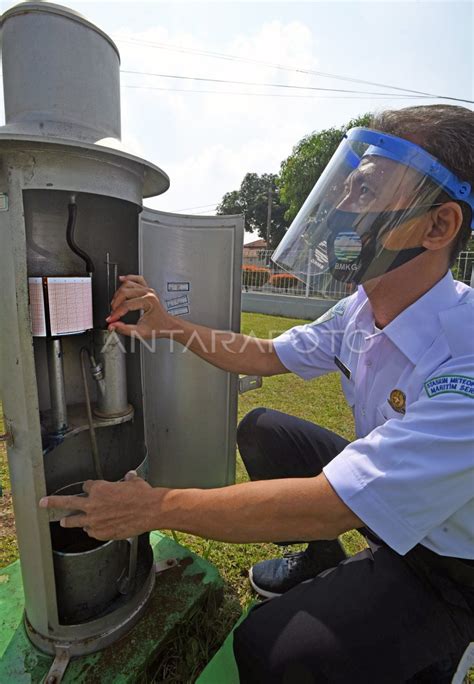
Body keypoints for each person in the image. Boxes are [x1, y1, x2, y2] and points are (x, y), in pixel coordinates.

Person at [40, 104, 474, 683]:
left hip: (450, 562)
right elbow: (263, 354)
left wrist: (152, 506)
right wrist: (168, 323)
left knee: (271, 651)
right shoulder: (360, 310)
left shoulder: (464, 357)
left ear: (438, 226)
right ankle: (321, 561)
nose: (341, 208)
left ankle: (437, 656)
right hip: (387, 508)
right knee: (265, 428)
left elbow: (331, 503)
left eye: (365, 190)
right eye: (345, 187)